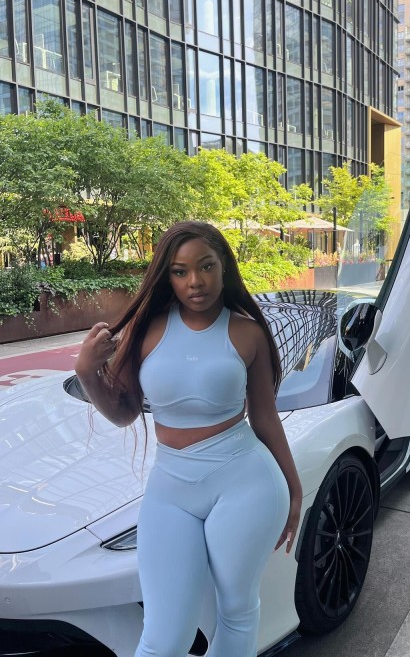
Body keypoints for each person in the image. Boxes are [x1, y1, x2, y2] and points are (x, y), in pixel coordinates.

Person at [75, 221, 302, 657]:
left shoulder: (247, 332)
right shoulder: (148, 330)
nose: (195, 281)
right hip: (170, 490)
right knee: (164, 638)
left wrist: (294, 490)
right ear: (168, 276)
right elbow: (124, 413)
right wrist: (87, 372)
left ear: (223, 267)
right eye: (180, 271)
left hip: (245, 484)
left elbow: (265, 418)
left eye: (206, 266)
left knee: (236, 612)